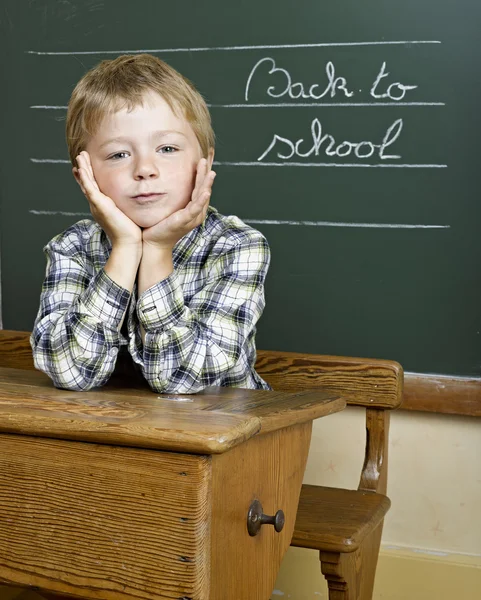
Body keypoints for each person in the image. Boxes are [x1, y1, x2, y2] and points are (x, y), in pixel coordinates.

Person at [30, 54, 270, 393]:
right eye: (118, 155)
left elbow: (183, 378)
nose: (145, 168)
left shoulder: (236, 246)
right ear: (85, 176)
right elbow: (71, 372)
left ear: (206, 161)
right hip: (121, 435)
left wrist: (157, 251)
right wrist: (126, 249)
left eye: (167, 148)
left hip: (229, 437)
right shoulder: (73, 248)